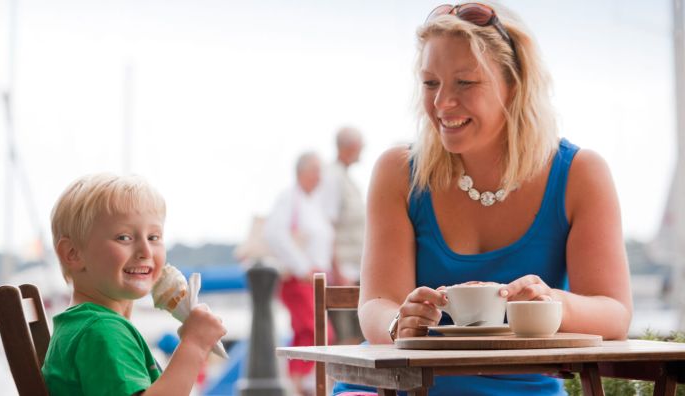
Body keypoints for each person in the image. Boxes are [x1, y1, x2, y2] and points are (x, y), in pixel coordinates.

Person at [336, 3, 633, 395]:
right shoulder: (398, 172)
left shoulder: (579, 174)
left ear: (515, 83)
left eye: (464, 82)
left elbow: (614, 313)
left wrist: (549, 301)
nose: (442, 102)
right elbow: (377, 303)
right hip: (401, 385)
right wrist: (398, 324)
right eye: (430, 84)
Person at [42, 173, 227, 396]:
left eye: (154, 237)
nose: (146, 251)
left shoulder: (83, 325)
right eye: (124, 237)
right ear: (73, 253)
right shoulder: (102, 330)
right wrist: (195, 344)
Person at [264, 151, 335, 396]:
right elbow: (274, 234)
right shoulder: (289, 198)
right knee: (312, 330)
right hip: (300, 279)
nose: (319, 177)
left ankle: (305, 384)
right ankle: (300, 385)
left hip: (314, 279)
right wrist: (303, 267)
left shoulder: (312, 201)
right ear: (302, 172)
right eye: (315, 171)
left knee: (313, 331)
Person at [317, 126, 367, 345]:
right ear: (350, 146)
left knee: (358, 334)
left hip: (354, 269)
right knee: (345, 335)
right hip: (343, 271)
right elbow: (328, 226)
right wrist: (336, 269)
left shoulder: (345, 178)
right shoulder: (332, 178)